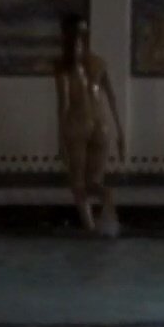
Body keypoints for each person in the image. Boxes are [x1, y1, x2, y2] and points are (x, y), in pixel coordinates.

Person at [52, 14, 125, 235]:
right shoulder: (99, 63)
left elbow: (64, 104)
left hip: (77, 125)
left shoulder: (63, 66)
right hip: (102, 126)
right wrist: (120, 133)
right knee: (94, 182)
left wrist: (60, 140)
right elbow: (111, 97)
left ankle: (91, 229)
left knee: (78, 184)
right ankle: (107, 201)